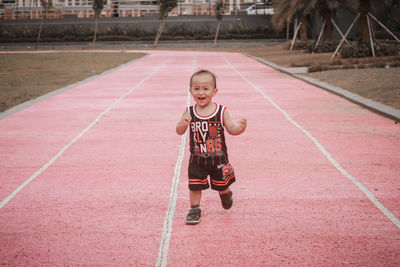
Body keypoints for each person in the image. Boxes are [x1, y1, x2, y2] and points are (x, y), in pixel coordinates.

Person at [176, 69, 247, 225]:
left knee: (221, 185)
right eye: (196, 89)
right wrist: (183, 123)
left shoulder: (221, 111)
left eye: (205, 88)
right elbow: (179, 131)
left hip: (218, 159)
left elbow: (231, 129)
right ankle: (195, 209)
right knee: (194, 185)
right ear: (190, 91)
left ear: (214, 91)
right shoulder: (189, 112)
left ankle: (226, 194)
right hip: (197, 159)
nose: (201, 92)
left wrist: (239, 129)